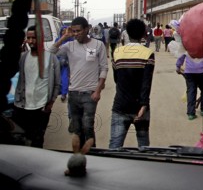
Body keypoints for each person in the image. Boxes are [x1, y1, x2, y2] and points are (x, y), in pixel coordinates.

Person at [50, 16, 109, 147]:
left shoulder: (98, 45)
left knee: (88, 127)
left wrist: (98, 91)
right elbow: (51, 52)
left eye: (78, 31)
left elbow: (104, 68)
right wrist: (64, 37)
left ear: (87, 29)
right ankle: (79, 155)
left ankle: (92, 153)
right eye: (74, 31)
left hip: (90, 94)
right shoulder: (69, 46)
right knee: (77, 129)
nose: (76, 34)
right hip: (73, 94)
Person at [108, 18, 156, 149]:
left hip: (120, 106)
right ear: (143, 34)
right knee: (143, 146)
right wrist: (144, 105)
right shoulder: (148, 53)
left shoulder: (117, 52)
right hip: (141, 108)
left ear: (127, 33)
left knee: (115, 146)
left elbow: (116, 79)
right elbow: (147, 83)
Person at [11, 26, 61, 148]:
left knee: (37, 141)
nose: (31, 41)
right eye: (29, 38)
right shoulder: (23, 57)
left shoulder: (51, 58)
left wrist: (50, 104)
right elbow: (10, 67)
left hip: (41, 107)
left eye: (34, 38)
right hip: (22, 106)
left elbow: (57, 83)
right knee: (21, 140)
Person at [175, 51, 203, 120]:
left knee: (191, 90)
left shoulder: (188, 44)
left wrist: (178, 66)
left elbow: (181, 55)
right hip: (202, 71)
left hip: (189, 71)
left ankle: (191, 113)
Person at [56, 25, 72, 102]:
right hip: (59, 61)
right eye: (63, 30)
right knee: (60, 78)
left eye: (65, 30)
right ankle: (62, 92)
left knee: (64, 77)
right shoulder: (58, 40)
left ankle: (64, 93)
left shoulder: (70, 40)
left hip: (66, 62)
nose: (64, 32)